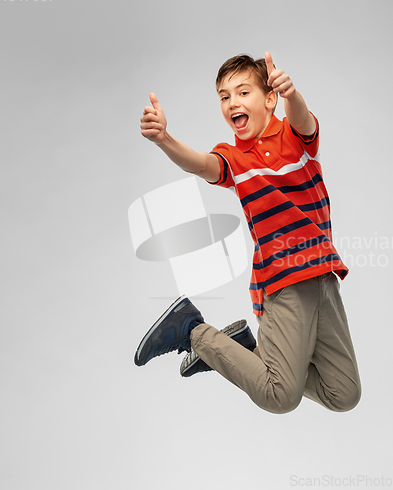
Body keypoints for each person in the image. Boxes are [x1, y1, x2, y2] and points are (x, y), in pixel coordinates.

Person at [135, 52, 361, 415]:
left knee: (344, 394)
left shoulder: (295, 137)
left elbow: (303, 119)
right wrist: (165, 139)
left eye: (242, 93)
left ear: (269, 99)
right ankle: (192, 329)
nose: (232, 103)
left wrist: (292, 94)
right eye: (224, 97)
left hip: (324, 277)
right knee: (279, 396)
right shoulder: (233, 159)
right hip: (284, 282)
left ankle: (240, 351)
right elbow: (200, 162)